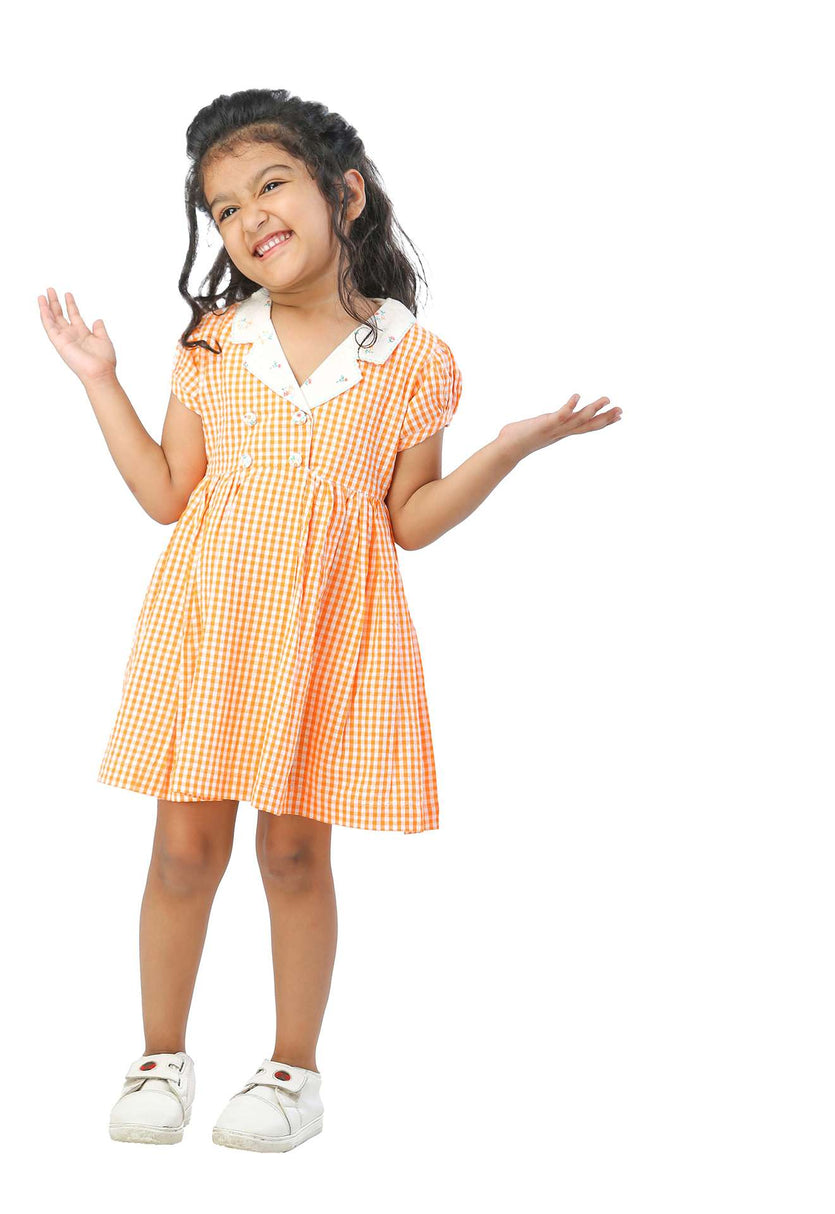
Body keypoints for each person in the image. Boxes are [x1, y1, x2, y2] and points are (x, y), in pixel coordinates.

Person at [37, 88, 620, 1153]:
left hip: (325, 635)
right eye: (220, 209)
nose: (247, 217)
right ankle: (160, 1053)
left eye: (268, 185)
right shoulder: (214, 344)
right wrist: (99, 380)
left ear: (341, 191)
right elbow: (169, 493)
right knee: (180, 849)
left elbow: (408, 521)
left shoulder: (414, 360)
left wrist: (503, 448)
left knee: (297, 853)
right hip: (209, 627)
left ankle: (290, 1068)